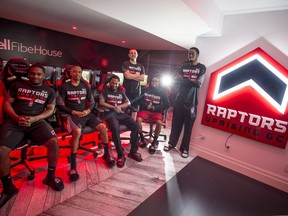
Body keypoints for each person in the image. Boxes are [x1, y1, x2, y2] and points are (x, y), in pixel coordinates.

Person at [0, 63, 64, 208]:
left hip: (37, 121)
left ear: (43, 75)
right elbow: (7, 103)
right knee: (1, 151)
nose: (35, 76)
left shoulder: (49, 90)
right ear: (28, 74)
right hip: (16, 121)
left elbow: (50, 109)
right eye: (33, 73)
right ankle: (8, 188)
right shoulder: (16, 85)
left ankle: (50, 177)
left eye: (38, 74)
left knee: (54, 142)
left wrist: (35, 118)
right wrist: (16, 117)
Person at [57, 65, 114, 182]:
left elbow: (92, 102)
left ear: (81, 73)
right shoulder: (64, 87)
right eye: (75, 72)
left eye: (79, 72)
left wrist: (87, 110)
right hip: (73, 115)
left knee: (103, 127)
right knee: (77, 132)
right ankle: (73, 167)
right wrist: (74, 112)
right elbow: (60, 105)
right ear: (70, 73)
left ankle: (107, 154)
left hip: (85, 113)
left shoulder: (85, 86)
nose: (77, 74)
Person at [163, 47, 206, 158]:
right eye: (189, 53)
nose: (190, 55)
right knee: (176, 124)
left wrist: (184, 79)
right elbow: (176, 80)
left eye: (192, 53)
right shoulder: (184, 66)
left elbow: (198, 84)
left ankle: (184, 149)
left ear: (197, 54)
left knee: (188, 127)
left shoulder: (201, 67)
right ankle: (171, 144)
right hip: (179, 100)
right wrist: (190, 80)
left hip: (191, 103)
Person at [99, 74, 143, 168]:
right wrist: (113, 107)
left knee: (135, 125)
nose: (114, 85)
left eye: (116, 83)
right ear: (109, 83)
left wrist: (119, 107)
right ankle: (121, 155)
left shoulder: (121, 92)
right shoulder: (105, 91)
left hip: (120, 113)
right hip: (109, 114)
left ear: (119, 83)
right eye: (112, 83)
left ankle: (133, 152)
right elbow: (101, 102)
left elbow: (128, 102)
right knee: (115, 129)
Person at [136, 75, 170, 154]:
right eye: (152, 81)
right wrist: (145, 105)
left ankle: (154, 142)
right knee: (138, 120)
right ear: (150, 82)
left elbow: (167, 105)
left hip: (156, 112)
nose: (154, 83)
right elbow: (139, 101)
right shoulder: (145, 90)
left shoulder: (162, 92)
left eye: (155, 81)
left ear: (158, 83)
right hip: (146, 110)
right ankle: (142, 139)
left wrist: (155, 108)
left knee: (159, 123)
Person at [122, 48, 145, 119]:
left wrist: (131, 75)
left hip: (136, 90)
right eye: (131, 53)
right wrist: (137, 75)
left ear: (137, 55)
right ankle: (123, 121)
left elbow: (142, 78)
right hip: (126, 89)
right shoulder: (125, 64)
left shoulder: (141, 66)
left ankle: (132, 124)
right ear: (129, 55)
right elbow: (127, 76)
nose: (133, 54)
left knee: (135, 108)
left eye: (134, 53)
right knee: (124, 106)